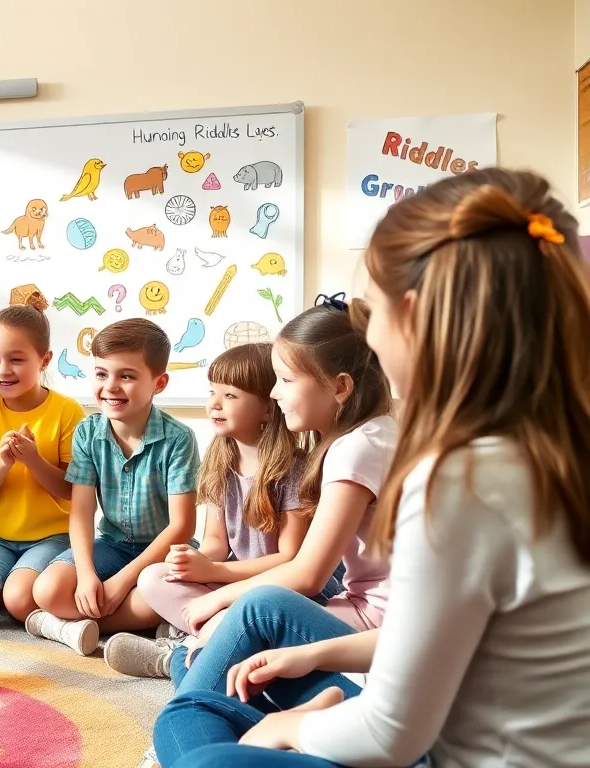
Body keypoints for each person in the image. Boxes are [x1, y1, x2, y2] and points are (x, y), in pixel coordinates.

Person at [157, 168, 590, 767]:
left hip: (430, 748)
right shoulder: (548, 451)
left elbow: (393, 734)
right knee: (236, 679)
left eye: (373, 315)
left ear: (410, 317)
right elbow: (455, 646)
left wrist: (288, 733)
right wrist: (316, 659)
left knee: (200, 739)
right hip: (430, 708)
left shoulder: (464, 484)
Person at [163, 300, 395, 699]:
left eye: (286, 380)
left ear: (340, 387)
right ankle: (188, 667)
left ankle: (187, 690)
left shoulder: (356, 449)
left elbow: (307, 575)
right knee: (223, 648)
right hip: (364, 609)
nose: (274, 392)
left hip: (379, 624)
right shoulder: (373, 434)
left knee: (249, 622)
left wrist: (221, 601)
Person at [107, 343, 310, 678]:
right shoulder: (220, 462)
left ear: (267, 408)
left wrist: (213, 573)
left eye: (231, 396)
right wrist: (191, 563)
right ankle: (209, 637)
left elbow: (290, 559)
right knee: (152, 577)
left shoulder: (292, 471)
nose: (214, 403)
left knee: (245, 613)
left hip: (275, 590)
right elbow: (215, 542)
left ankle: (182, 652)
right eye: (213, 391)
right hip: (229, 583)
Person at [27, 318, 201, 655]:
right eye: (102, 374)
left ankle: (65, 626)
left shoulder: (178, 439)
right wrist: (88, 574)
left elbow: (181, 526)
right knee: (47, 590)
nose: (111, 386)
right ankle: (132, 620)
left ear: (159, 383)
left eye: (127, 376)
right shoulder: (88, 432)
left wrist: (122, 582)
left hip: (163, 549)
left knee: (178, 595)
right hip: (111, 544)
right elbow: (80, 513)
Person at [0, 304, 83, 625]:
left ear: (45, 360)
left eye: (16, 359)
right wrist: (5, 462)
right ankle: (4, 582)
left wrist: (34, 461)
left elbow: (70, 491)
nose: (3, 370)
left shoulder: (68, 412)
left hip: (52, 536)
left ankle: (16, 587)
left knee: (21, 599)